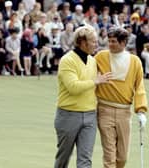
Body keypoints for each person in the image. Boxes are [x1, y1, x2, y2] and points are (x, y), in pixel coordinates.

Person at [54, 25, 113, 168]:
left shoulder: (92, 61)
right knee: (63, 158)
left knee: (85, 159)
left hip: (90, 115)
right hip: (68, 116)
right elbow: (73, 87)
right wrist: (95, 81)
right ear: (82, 42)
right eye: (93, 41)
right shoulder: (67, 60)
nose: (96, 44)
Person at [94, 27, 148, 168]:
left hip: (125, 112)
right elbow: (88, 73)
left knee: (122, 157)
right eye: (109, 41)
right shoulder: (100, 57)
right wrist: (95, 79)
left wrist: (141, 110)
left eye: (113, 41)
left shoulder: (135, 61)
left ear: (123, 42)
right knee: (109, 156)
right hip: (104, 110)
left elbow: (139, 87)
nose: (110, 44)